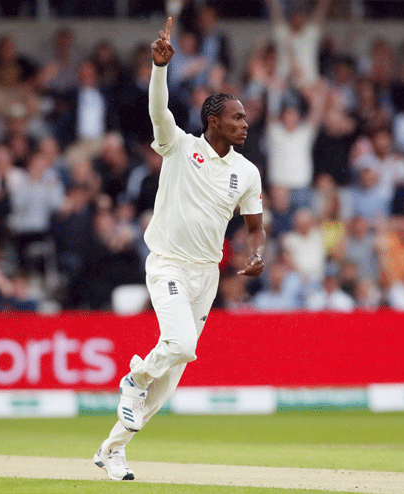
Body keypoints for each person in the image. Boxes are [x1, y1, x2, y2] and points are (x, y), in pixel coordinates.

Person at [94, 18, 265, 481]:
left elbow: (254, 223)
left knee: (168, 383)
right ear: (214, 121)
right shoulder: (179, 146)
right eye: (237, 117)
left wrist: (256, 251)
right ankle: (134, 376)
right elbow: (158, 113)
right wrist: (158, 69)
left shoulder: (247, 172)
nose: (245, 124)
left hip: (206, 275)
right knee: (181, 345)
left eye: (246, 118)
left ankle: (113, 449)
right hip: (168, 263)